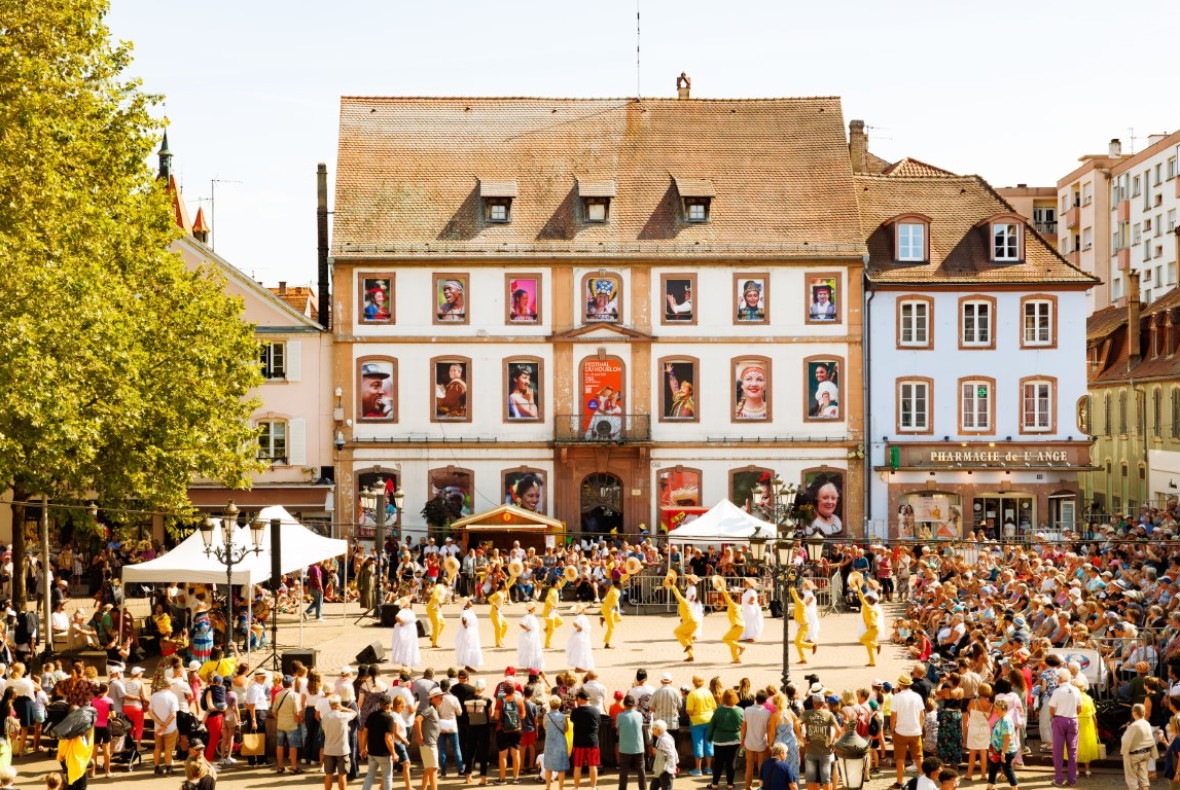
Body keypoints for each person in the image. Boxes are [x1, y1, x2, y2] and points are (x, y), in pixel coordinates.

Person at [1048, 666, 1080, 787]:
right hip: (1073, 720)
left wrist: (1058, 716)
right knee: (1072, 751)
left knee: (1058, 752)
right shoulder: (1076, 690)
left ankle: (1059, 779)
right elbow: (1079, 709)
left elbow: (1051, 710)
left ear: (1060, 679)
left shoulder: (1057, 691)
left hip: (1060, 720)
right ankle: (1072, 779)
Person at [892, 673, 924, 789]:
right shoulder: (917, 697)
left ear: (900, 684)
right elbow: (922, 716)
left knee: (900, 759)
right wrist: (919, 728)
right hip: (915, 731)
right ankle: (924, 782)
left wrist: (892, 729)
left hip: (900, 731)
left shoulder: (896, 697)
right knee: (919, 758)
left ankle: (899, 782)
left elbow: (893, 717)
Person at [708, 689, 744, 790]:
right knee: (731, 762)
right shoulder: (740, 711)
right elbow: (744, 726)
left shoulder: (719, 710)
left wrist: (709, 737)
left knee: (718, 762)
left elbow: (712, 725)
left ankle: (715, 784)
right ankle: (730, 784)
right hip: (734, 740)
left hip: (719, 740)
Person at [323, 694, 358, 790]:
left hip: (328, 749)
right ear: (339, 704)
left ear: (330, 705)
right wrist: (343, 708)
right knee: (342, 775)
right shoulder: (343, 716)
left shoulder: (325, 717)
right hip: (342, 750)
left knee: (328, 774)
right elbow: (355, 713)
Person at [462, 679, 493, 785]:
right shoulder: (487, 700)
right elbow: (490, 714)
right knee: (483, 753)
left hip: (471, 727)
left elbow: (467, 712)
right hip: (483, 728)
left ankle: (468, 777)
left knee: (470, 752)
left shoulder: (467, 699)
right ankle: (483, 778)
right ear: (483, 688)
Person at [272, 675, 303, 775]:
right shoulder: (294, 695)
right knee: (293, 746)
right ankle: (293, 767)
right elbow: (297, 712)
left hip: (280, 724)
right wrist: (299, 720)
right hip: (292, 725)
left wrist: (279, 718)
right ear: (291, 684)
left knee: (280, 745)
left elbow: (274, 712)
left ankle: (280, 767)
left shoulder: (278, 694)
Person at [569, 690, 601, 790]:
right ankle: (593, 787)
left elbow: (572, 720)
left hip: (578, 743)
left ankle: (576, 787)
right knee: (593, 766)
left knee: (577, 766)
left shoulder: (575, 711)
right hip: (592, 742)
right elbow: (599, 722)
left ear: (580, 699)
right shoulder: (596, 711)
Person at [149, 676, 180, 776]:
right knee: (169, 749)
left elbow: (150, 713)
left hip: (157, 728)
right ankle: (169, 768)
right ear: (169, 686)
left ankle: (157, 767)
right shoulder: (173, 697)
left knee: (157, 748)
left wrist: (160, 723)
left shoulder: (154, 696)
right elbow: (173, 714)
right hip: (170, 728)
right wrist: (165, 725)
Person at [494, 681, 523, 784]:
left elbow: (496, 716)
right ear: (514, 690)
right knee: (516, 753)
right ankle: (516, 778)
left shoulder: (500, 701)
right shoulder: (519, 700)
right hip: (516, 729)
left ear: (504, 690)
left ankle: (502, 779)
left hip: (502, 730)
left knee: (503, 755)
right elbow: (523, 715)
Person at [1121, 703, 1155, 790]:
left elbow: (1126, 741)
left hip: (1133, 754)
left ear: (1135, 713)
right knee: (1143, 778)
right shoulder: (1147, 724)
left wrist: (1124, 752)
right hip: (1145, 753)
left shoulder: (1134, 726)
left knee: (1132, 779)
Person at [741, 691, 771, 790]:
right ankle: (761, 787)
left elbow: (743, 727)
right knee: (761, 768)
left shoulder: (747, 710)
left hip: (749, 743)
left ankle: (747, 786)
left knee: (749, 767)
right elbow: (769, 730)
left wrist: (742, 741)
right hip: (762, 743)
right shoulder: (767, 712)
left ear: (755, 699)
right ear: (765, 701)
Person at [988, 697, 1019, 790]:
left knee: (1007, 770)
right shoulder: (1002, 719)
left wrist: (1003, 753)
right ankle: (990, 787)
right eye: (995, 708)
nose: (995, 710)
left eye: (997, 709)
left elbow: (1007, 738)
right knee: (993, 768)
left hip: (1006, 751)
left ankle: (1014, 788)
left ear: (1003, 709)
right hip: (999, 750)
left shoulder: (1005, 721)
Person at [616, 694, 646, 790]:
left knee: (623, 771)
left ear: (624, 704)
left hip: (625, 748)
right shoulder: (639, 715)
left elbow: (618, 730)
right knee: (641, 770)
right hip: (638, 746)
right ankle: (643, 788)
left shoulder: (620, 716)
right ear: (634, 705)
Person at [668, 578, 701, 662]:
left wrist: (672, 585)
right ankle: (691, 656)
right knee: (687, 637)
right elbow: (687, 612)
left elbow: (676, 593)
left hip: (690, 622)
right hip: (693, 622)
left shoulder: (682, 601)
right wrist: (683, 619)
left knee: (677, 632)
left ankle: (686, 645)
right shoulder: (686, 602)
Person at [541, 697, 569, 790]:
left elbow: (545, 727)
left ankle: (548, 787)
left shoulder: (546, 716)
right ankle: (561, 788)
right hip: (560, 743)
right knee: (561, 768)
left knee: (548, 767)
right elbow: (566, 729)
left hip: (549, 743)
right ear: (559, 705)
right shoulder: (563, 716)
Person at [716, 582, 746, 663]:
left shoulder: (732, 604)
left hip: (737, 625)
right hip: (741, 626)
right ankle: (736, 659)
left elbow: (725, 595)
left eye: (730, 597)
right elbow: (742, 610)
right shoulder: (738, 606)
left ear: (732, 599)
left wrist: (722, 587)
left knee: (725, 639)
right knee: (732, 643)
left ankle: (741, 647)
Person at [790, 581, 819, 663]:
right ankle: (803, 659)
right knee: (797, 643)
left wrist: (791, 586)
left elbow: (794, 595)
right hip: (802, 626)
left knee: (797, 642)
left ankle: (812, 646)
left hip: (804, 626)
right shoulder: (800, 603)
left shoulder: (800, 603)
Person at [1075, 679, 1099, 778]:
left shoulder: (1074, 698)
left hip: (1076, 722)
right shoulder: (1088, 698)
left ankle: (1075, 770)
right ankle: (1087, 770)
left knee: (1075, 746)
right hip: (1088, 723)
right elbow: (1094, 715)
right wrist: (1096, 727)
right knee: (1086, 747)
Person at [455, 598, 484, 673]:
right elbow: (464, 619)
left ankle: (468, 665)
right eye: (469, 601)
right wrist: (466, 627)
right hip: (468, 633)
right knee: (468, 648)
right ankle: (467, 666)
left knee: (470, 647)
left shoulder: (469, 611)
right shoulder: (465, 612)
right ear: (466, 604)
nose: (471, 602)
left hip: (471, 632)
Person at [392, 598, 420, 669]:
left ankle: (408, 662)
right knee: (406, 646)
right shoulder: (403, 611)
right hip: (406, 631)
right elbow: (397, 617)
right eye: (408, 602)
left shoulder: (409, 610)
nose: (409, 603)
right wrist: (401, 622)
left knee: (411, 646)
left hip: (411, 631)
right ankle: (405, 663)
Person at [565, 604, 594, 672]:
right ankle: (579, 667)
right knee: (581, 651)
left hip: (583, 636)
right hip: (581, 637)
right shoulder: (580, 617)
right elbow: (575, 623)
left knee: (581, 650)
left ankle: (580, 666)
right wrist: (579, 628)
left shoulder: (582, 617)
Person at [517, 602, 545, 672]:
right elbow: (521, 624)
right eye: (534, 608)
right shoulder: (527, 616)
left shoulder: (532, 616)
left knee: (534, 649)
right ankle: (529, 665)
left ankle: (533, 664)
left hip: (535, 635)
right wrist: (527, 628)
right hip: (530, 635)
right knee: (530, 650)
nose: (535, 609)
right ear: (531, 609)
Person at [541, 582, 564, 649]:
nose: (560, 584)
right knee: (551, 629)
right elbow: (547, 600)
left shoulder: (554, 590)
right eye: (559, 583)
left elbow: (562, 584)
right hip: (548, 612)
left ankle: (547, 628)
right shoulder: (553, 591)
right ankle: (547, 645)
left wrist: (566, 578)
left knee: (560, 621)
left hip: (552, 612)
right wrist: (553, 605)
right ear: (556, 584)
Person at [426, 582, 446, 648]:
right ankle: (434, 643)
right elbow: (434, 596)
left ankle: (433, 636)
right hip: (432, 608)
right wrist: (440, 602)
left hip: (436, 609)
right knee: (436, 625)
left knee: (443, 623)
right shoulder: (438, 586)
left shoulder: (443, 587)